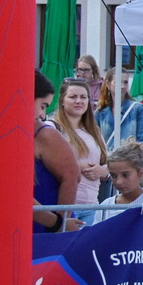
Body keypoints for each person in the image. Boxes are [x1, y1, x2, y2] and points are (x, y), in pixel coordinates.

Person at [51, 77, 110, 221]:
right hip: (64, 206)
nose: (79, 101)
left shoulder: (94, 131)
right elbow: (48, 163)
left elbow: (107, 163)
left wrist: (103, 171)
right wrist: (78, 167)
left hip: (92, 206)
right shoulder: (53, 128)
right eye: (73, 97)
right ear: (62, 101)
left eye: (83, 97)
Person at [34, 71, 81, 233]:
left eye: (45, 107)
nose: (42, 114)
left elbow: (72, 176)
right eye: (42, 106)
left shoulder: (44, 133)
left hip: (45, 230)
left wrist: (59, 223)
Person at [106, 141, 143, 208]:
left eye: (125, 175)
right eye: (113, 175)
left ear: (140, 173)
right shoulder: (106, 205)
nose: (119, 182)